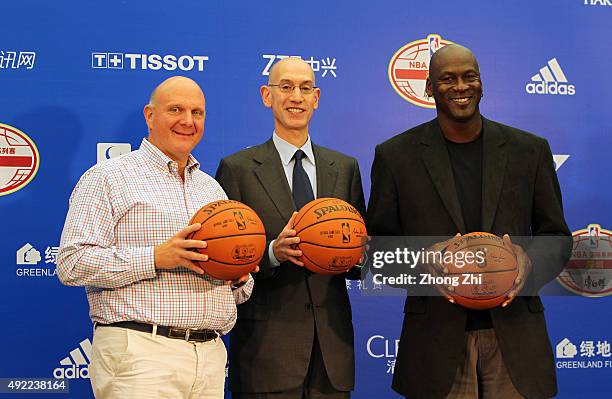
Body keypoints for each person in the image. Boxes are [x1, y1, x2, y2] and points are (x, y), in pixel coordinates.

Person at [367, 45, 572, 399]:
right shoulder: (396, 156)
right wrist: (423, 262)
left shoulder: (529, 150)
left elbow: (558, 236)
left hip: (515, 339)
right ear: (430, 88)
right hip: (436, 342)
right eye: (447, 79)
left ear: (482, 83)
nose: (460, 86)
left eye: (469, 76)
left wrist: (529, 260)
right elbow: (376, 252)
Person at [57, 76, 254, 399]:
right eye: (175, 109)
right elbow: (71, 263)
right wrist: (155, 258)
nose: (188, 121)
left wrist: (236, 277)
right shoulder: (108, 177)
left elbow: (238, 291)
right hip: (141, 354)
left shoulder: (211, 188)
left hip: (210, 356)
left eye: (197, 112)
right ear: (150, 116)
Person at [215, 57, 365, 399]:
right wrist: (272, 253)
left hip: (332, 353)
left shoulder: (345, 168)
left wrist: (353, 255)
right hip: (265, 353)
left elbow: (362, 258)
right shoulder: (236, 169)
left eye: (305, 88)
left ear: (317, 97)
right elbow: (225, 263)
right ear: (267, 96)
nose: (296, 96)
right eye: (286, 87)